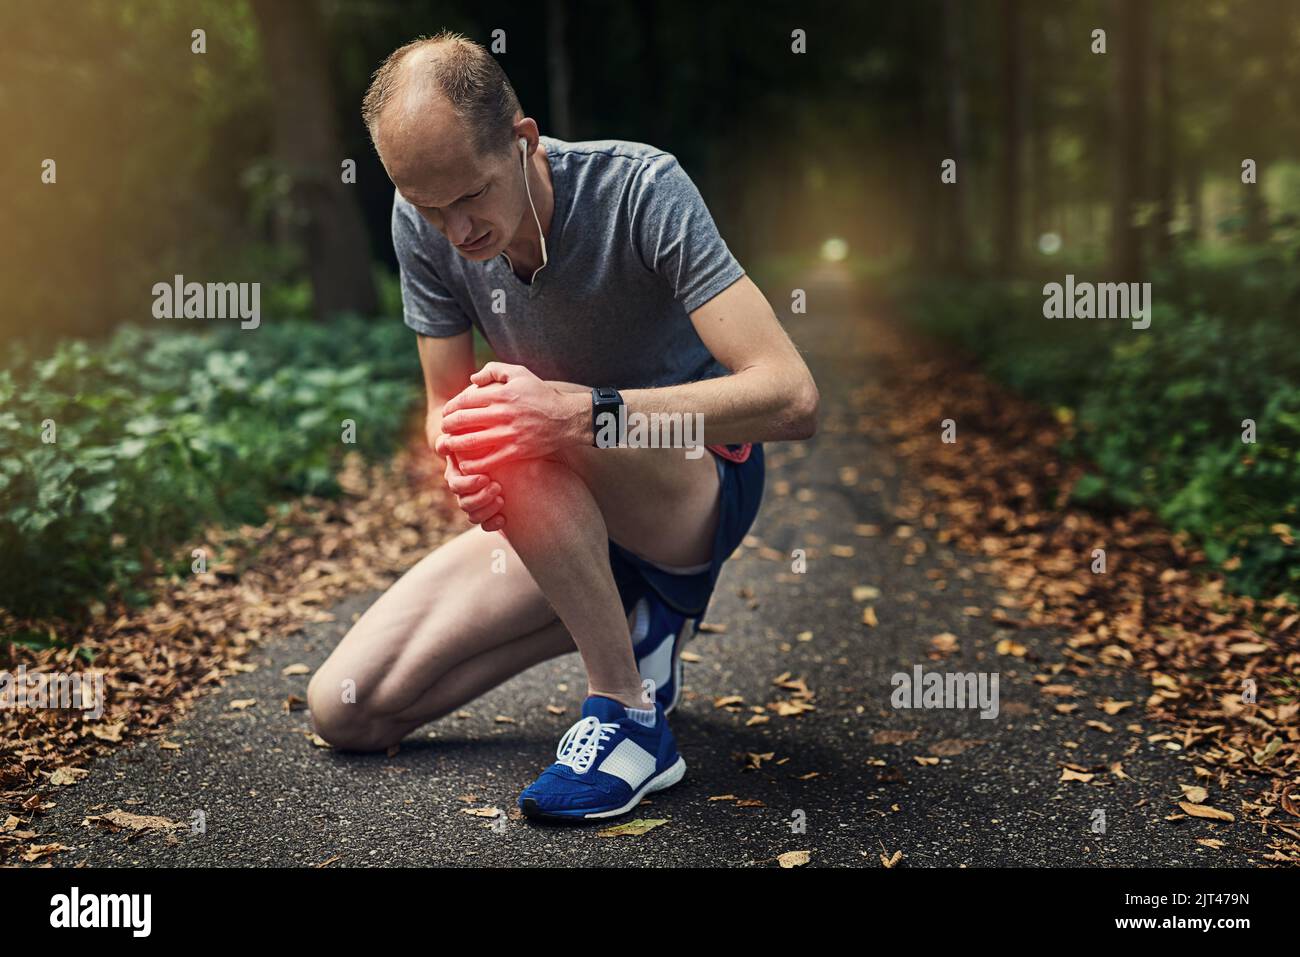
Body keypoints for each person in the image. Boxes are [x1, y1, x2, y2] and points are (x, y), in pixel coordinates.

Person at [307, 31, 818, 821]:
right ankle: (636, 620)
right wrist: (458, 459)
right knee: (348, 710)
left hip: (689, 485)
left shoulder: (641, 189)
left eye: (470, 195)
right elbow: (447, 408)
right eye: (426, 205)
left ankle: (629, 714)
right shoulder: (428, 223)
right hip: (557, 501)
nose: (456, 230)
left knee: (517, 419)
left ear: (523, 140)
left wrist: (577, 413)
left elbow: (790, 397)